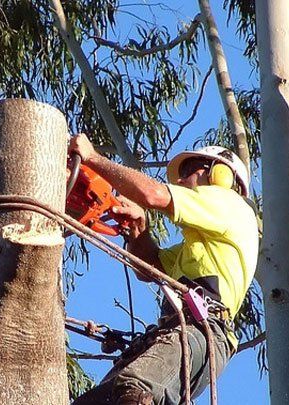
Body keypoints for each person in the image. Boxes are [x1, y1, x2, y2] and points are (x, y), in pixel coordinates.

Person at [69, 133, 259, 405]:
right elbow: (150, 268)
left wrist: (92, 157)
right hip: (181, 332)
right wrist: (138, 231)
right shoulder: (199, 247)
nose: (179, 182)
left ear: (220, 175)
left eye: (187, 171)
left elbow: (153, 194)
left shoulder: (231, 204)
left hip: (203, 332)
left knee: (134, 387)